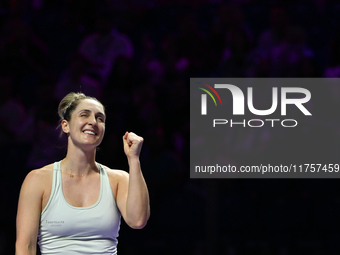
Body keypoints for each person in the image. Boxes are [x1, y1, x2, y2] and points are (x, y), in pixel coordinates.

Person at [15, 92, 150, 255]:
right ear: (66, 125)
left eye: (100, 119)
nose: (93, 122)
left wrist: (134, 159)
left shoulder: (118, 179)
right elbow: (26, 247)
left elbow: (138, 221)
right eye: (84, 115)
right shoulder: (38, 180)